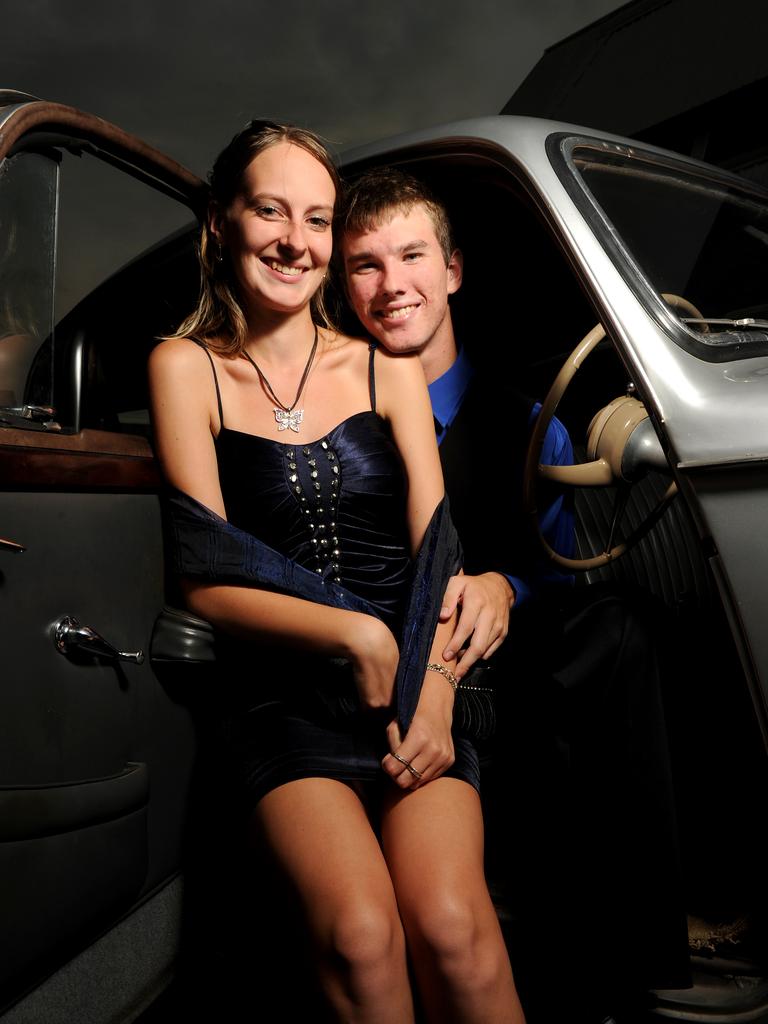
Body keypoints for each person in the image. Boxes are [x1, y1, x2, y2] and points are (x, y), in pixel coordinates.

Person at [148, 121, 527, 1024]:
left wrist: (434, 692)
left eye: (317, 219)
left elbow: (439, 549)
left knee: (453, 930)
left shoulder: (383, 366)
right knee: (362, 936)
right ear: (220, 222)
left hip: (418, 685)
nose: (295, 239)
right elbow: (203, 570)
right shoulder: (184, 367)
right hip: (280, 702)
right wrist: (354, 631)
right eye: (269, 210)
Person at [337, 168, 692, 1023]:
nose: (393, 285)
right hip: (399, 676)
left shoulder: (533, 419)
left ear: (452, 270)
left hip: (512, 671)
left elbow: (559, 570)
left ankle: (626, 975)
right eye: (366, 265)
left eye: (412, 255)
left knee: (618, 630)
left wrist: (507, 587)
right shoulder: (339, 428)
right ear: (343, 287)